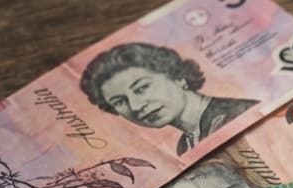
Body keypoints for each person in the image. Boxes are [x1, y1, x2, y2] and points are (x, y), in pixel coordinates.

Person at [79, 42, 255, 156]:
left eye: (141, 88)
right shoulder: (185, 146)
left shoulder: (238, 114)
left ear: (176, 75)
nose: (135, 106)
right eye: (119, 102)